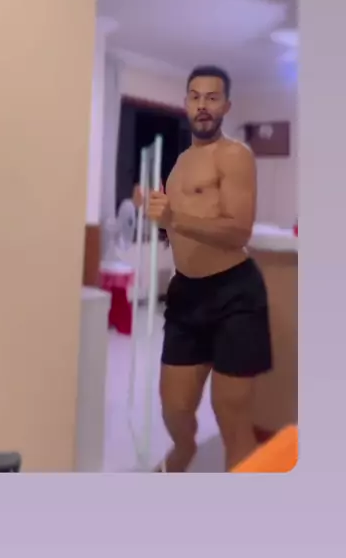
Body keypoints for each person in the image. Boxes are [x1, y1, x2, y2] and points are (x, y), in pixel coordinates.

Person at [142, 65, 272, 472]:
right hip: (186, 294)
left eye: (212, 98)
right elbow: (178, 229)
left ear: (226, 106)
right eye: (195, 97)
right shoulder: (180, 163)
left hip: (234, 295)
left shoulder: (234, 155)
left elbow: (238, 231)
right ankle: (184, 449)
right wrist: (156, 218)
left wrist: (174, 217)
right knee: (174, 406)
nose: (203, 105)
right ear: (185, 103)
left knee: (231, 416)